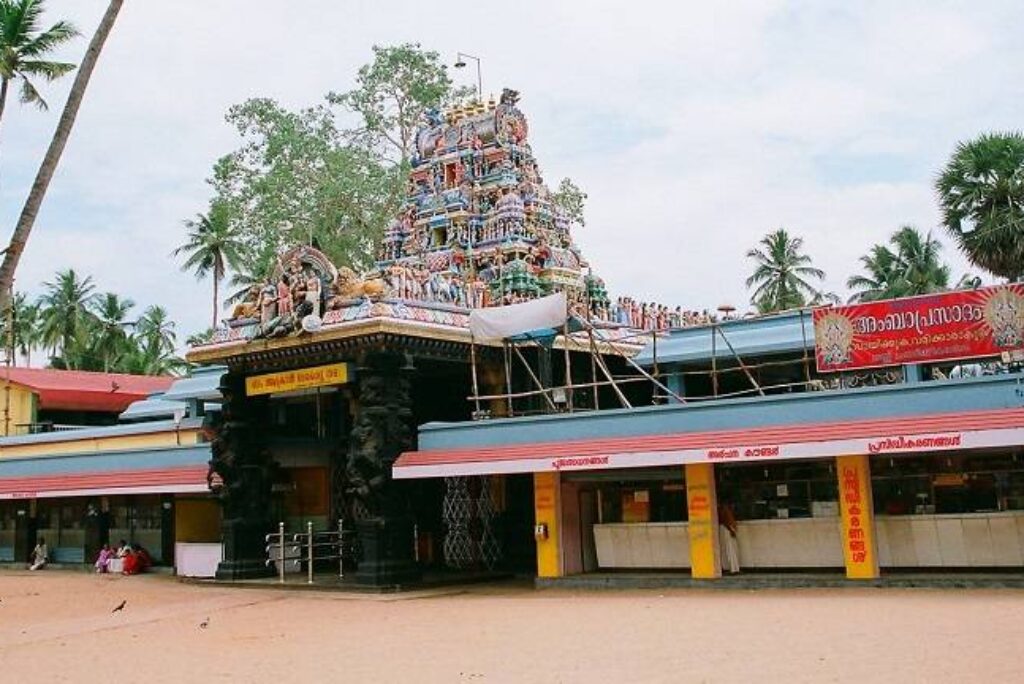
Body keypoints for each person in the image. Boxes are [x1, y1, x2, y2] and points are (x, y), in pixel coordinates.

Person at [718, 503, 740, 575]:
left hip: (728, 529)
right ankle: (734, 568)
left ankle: (733, 568)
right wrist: (731, 530)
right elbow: (726, 522)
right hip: (728, 530)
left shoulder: (724, 510)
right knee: (731, 550)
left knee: (730, 550)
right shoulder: (725, 510)